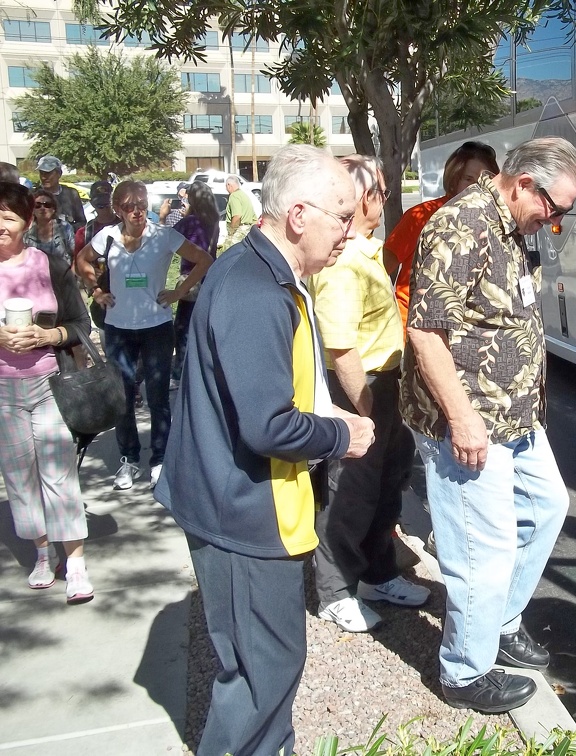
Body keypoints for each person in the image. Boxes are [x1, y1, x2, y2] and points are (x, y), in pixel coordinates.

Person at [154, 144, 376, 756]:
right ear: (300, 216)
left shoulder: (264, 270)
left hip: (240, 504)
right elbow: (269, 427)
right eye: (342, 217)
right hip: (244, 514)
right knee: (262, 672)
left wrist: (319, 406)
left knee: (265, 664)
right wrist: (343, 432)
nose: (350, 232)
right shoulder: (255, 288)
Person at [400, 136, 576, 713]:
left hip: (516, 415)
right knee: (484, 546)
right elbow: (425, 330)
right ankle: (463, 671)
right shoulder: (464, 225)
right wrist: (462, 418)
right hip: (471, 419)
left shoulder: (510, 224)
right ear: (524, 183)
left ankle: (499, 619)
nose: (554, 222)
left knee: (548, 505)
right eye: (554, 209)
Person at [309, 154, 429, 633]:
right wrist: (363, 409)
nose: (385, 197)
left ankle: (378, 574)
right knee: (349, 491)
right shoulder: (342, 265)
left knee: (385, 487)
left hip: (387, 383)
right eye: (379, 190)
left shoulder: (364, 250)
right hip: (362, 387)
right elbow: (341, 345)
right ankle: (335, 589)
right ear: (364, 198)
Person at [76, 181, 212, 491]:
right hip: (119, 328)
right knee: (122, 398)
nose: (137, 210)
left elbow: (204, 259)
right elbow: (81, 260)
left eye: (141, 203)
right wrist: (96, 290)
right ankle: (129, 459)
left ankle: (160, 459)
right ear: (118, 210)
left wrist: (179, 291)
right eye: (128, 205)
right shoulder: (107, 237)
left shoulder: (163, 235)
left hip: (156, 327)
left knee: (158, 397)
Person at [0, 181, 94, 603]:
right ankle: (41, 552)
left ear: (25, 220)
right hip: (3, 393)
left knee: (59, 474)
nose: (1, 224)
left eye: (8, 216)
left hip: (48, 385)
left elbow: (80, 325)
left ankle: (74, 563)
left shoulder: (50, 264)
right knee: (20, 479)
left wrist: (45, 334)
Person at [385, 141, 499, 335]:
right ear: (453, 180)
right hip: (418, 332)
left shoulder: (496, 221)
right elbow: (382, 268)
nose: (475, 187)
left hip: (470, 337)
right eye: (468, 178)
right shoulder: (420, 216)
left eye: (483, 181)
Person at [169, 181, 219, 389]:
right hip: (211, 277)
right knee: (203, 326)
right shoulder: (213, 220)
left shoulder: (190, 222)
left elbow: (167, 237)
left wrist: (164, 216)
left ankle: (179, 372)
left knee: (183, 327)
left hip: (191, 277)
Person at [25, 188, 75, 266]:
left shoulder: (65, 228)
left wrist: (71, 275)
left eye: (47, 205)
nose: (42, 208)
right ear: (33, 210)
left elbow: (75, 254)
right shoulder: (26, 230)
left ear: (54, 209)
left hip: (62, 275)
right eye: (37, 205)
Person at [36, 156, 86, 231]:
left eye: (48, 173)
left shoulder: (71, 194)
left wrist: (66, 229)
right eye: (41, 173)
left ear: (59, 173)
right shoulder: (33, 195)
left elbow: (82, 222)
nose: (43, 177)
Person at [220, 175, 258, 251]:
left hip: (239, 231)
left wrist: (231, 232)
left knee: (228, 253)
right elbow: (254, 218)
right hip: (248, 230)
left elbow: (237, 216)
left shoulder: (234, 196)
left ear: (229, 185)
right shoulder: (244, 195)